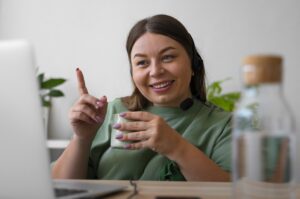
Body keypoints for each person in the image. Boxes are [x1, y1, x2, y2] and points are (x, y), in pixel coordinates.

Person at [51, 14, 232, 181]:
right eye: (142, 63)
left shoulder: (223, 125)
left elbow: (236, 193)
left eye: (168, 57)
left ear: (193, 64)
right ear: (133, 72)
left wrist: (177, 147)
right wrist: (81, 139)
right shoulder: (108, 113)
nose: (155, 71)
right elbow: (58, 189)